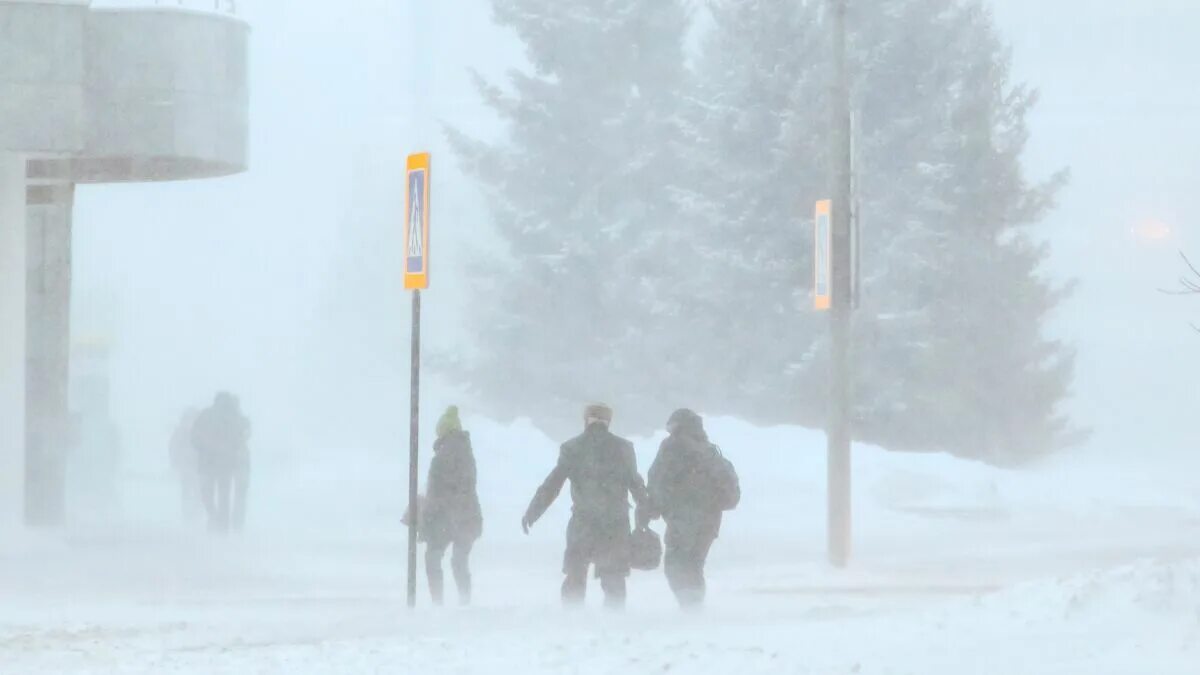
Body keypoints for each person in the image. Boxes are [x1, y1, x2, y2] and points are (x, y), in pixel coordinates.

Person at [522, 403, 649, 609]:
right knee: (613, 578)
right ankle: (615, 623)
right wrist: (647, 512)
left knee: (575, 574)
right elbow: (635, 484)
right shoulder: (623, 448)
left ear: (586, 419)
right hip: (615, 524)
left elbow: (553, 484)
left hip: (584, 522)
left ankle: (573, 621)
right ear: (608, 422)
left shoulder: (573, 447)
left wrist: (533, 512)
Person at [642, 409, 740, 609]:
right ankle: (694, 607)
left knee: (676, 564)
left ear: (676, 426)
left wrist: (652, 507)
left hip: (683, 517)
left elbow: (658, 479)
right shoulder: (709, 449)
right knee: (694, 565)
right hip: (710, 520)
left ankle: (689, 607)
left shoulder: (672, 446)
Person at [422, 406, 483, 606]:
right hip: (469, 518)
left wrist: (425, 520)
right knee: (459, 561)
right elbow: (463, 487)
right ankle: (465, 603)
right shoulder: (468, 453)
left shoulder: (440, 459)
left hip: (445, 520)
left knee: (432, 559)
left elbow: (435, 495)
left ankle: (437, 604)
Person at [191, 392, 251, 533]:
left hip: (209, 464)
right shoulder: (230, 416)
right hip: (225, 464)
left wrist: (203, 448)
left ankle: (217, 520)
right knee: (222, 496)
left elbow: (194, 437)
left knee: (208, 495)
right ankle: (222, 525)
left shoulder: (209, 415)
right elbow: (243, 435)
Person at [169, 408, 202, 523]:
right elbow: (173, 448)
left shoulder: (199, 432)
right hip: (187, 466)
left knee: (196, 490)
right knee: (187, 489)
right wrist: (175, 461)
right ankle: (188, 512)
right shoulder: (180, 432)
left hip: (197, 466)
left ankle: (193, 511)